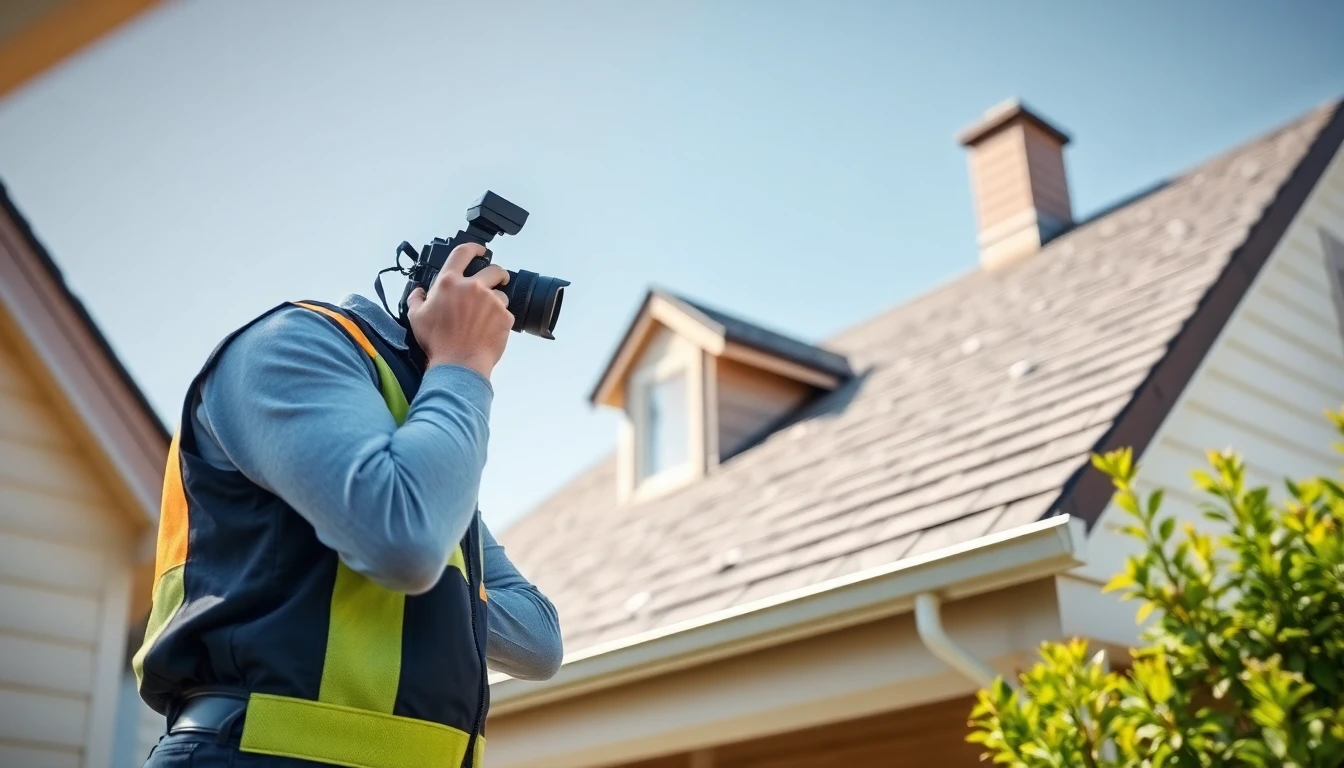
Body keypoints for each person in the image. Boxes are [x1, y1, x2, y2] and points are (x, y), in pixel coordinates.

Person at [134, 242, 562, 768]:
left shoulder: (409, 461)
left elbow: (541, 642)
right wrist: (464, 364)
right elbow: (408, 539)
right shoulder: (293, 342)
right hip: (253, 753)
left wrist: (429, 594)